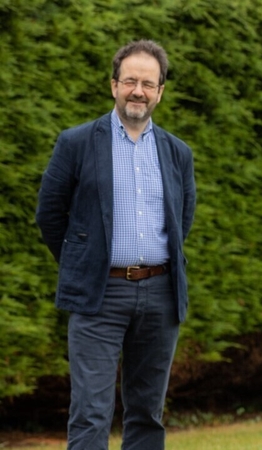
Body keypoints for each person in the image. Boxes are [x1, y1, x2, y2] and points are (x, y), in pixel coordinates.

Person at [35, 39, 196, 450]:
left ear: (160, 91)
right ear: (113, 86)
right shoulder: (76, 143)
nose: (138, 90)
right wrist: (85, 261)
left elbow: (183, 220)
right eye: (130, 81)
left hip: (160, 294)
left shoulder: (178, 153)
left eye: (148, 83)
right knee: (90, 411)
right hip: (99, 294)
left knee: (147, 413)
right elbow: (49, 215)